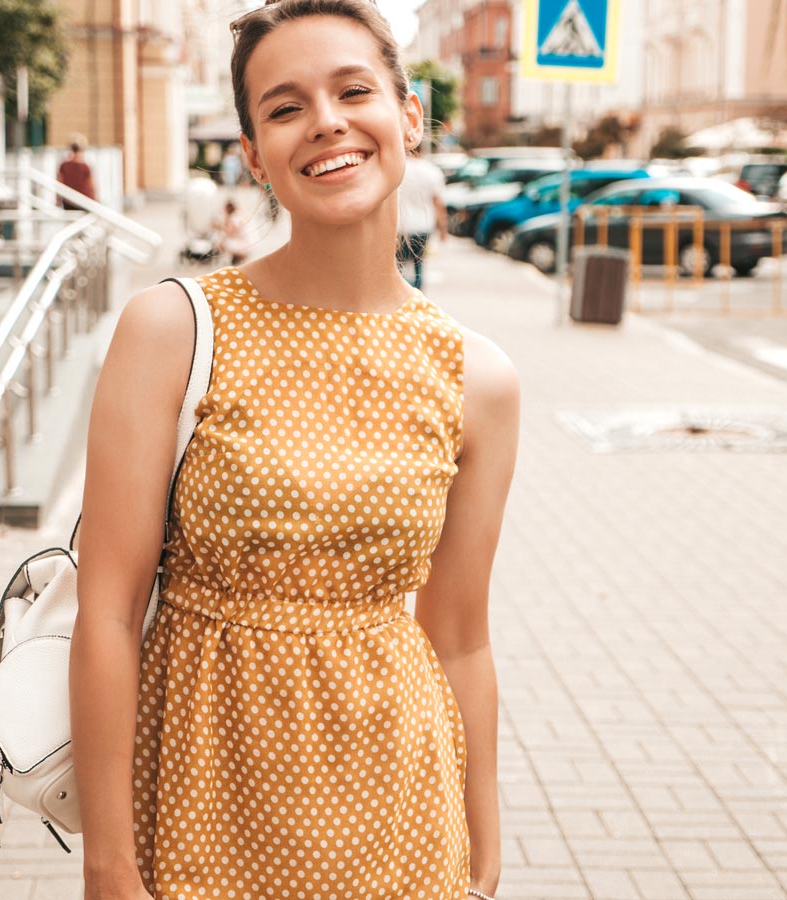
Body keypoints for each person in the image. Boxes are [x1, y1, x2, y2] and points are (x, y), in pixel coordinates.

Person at [69, 2, 519, 900]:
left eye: (354, 90)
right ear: (251, 152)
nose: (326, 122)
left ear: (409, 115)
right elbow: (108, 615)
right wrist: (110, 862)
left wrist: (482, 842)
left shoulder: (478, 377)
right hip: (200, 800)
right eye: (284, 107)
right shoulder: (174, 329)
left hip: (399, 816)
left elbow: (460, 638)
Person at [396, 150, 447, 289]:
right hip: (424, 225)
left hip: (401, 225)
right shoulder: (431, 171)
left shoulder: (399, 168)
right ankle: (418, 298)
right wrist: (443, 228)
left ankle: (399, 300)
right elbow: (437, 202)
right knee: (419, 265)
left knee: (398, 266)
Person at [56, 135, 97, 211]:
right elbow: (91, 185)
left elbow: (59, 183)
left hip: (68, 200)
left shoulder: (64, 165)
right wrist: (95, 201)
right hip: (84, 201)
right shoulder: (85, 166)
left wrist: (58, 200)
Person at [216, 198, 253, 263]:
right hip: (247, 244)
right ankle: (233, 259)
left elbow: (229, 232)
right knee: (223, 241)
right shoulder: (238, 215)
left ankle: (224, 261)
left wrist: (221, 226)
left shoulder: (233, 219)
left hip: (243, 246)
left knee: (222, 243)